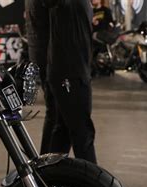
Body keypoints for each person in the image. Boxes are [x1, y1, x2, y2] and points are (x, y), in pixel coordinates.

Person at [42, 0, 97, 164]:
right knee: (82, 132)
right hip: (69, 73)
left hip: (75, 70)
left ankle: (50, 178)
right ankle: (93, 186)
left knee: (63, 132)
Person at [25, 0, 56, 155]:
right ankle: (47, 161)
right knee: (55, 111)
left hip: (44, 54)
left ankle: (48, 159)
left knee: (55, 112)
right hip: (48, 56)